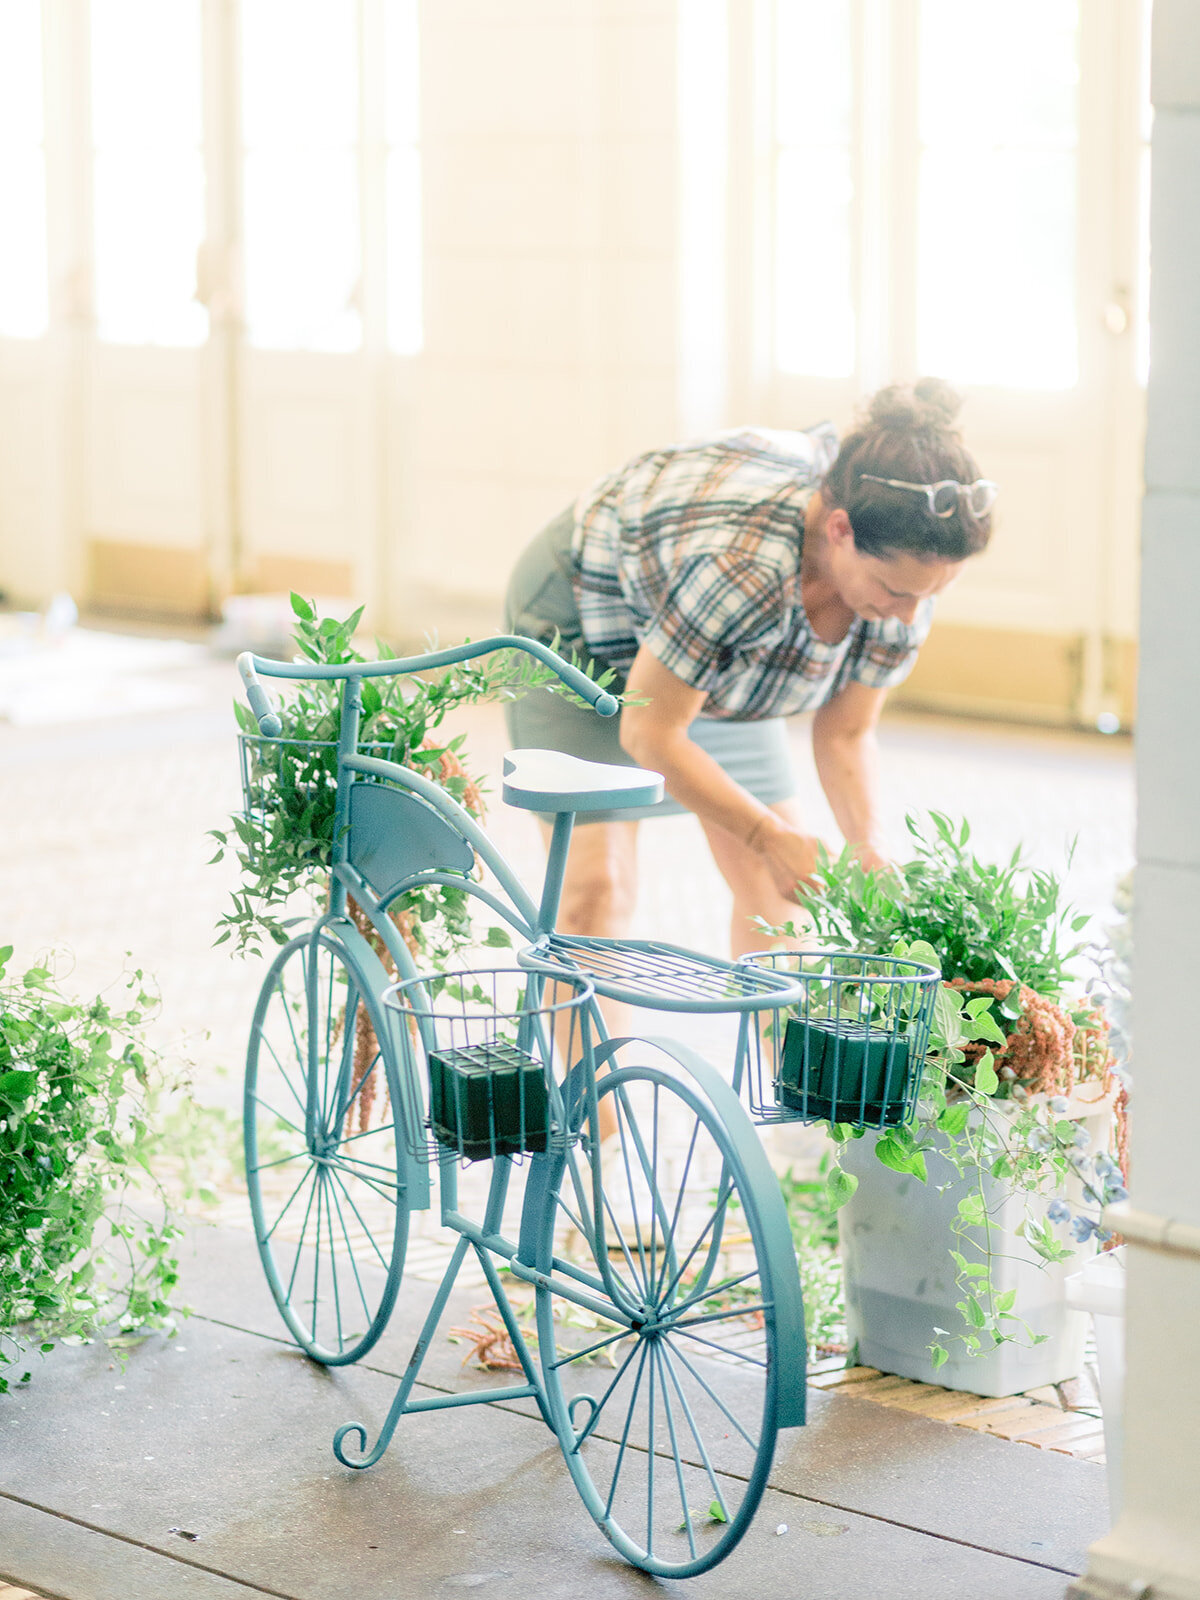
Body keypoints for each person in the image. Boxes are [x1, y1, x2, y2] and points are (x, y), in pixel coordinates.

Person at [503, 378, 995, 957]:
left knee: (781, 902)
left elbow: (846, 733)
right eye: (894, 591)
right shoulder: (740, 567)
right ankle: (594, 1051)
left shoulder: (904, 584)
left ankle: (775, 1051)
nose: (909, 617)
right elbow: (650, 730)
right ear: (840, 530)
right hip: (587, 618)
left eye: (931, 594)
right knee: (596, 891)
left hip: (709, 643)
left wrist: (869, 845)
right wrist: (767, 834)